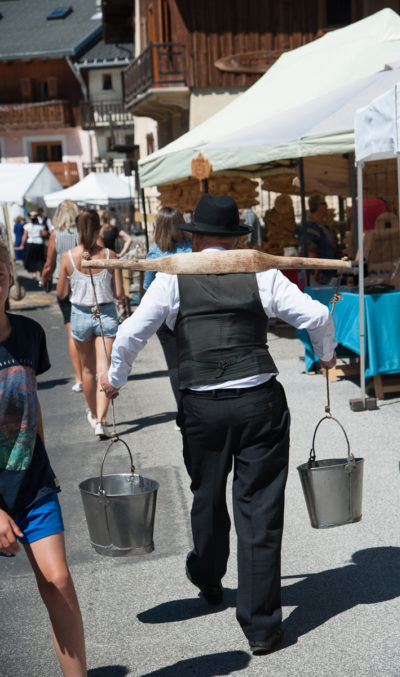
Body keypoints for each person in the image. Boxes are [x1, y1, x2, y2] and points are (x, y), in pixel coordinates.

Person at [100, 194, 336, 655]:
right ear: (233, 239)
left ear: (199, 238)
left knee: (206, 495)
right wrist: (326, 354)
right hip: (258, 403)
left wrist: (114, 380)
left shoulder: (174, 277)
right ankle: (262, 626)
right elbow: (319, 315)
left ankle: (208, 574)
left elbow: (130, 333)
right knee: (259, 511)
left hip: (203, 407)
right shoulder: (260, 271)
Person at [0, 241, 87, 676]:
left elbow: (30, 404)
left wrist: (45, 466)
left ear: (9, 277)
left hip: (32, 484)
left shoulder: (30, 334)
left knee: (58, 583)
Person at [57, 210, 124, 439]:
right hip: (104, 313)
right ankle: (102, 421)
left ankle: (94, 415)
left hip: (80, 314)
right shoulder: (110, 254)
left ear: (77, 230)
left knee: (87, 370)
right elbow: (119, 293)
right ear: (99, 230)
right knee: (104, 369)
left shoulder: (68, 257)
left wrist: (74, 281)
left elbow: (61, 292)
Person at [143, 207, 192, 409]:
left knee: (174, 365)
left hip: (164, 314)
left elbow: (147, 286)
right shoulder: (192, 248)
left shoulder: (154, 252)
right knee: (194, 360)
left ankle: (183, 412)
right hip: (190, 311)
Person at [41, 200, 83, 393]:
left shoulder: (55, 235)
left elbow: (49, 264)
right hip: (82, 283)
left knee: (72, 331)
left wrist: (43, 279)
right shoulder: (82, 233)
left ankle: (79, 377)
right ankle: (94, 370)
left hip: (63, 284)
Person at [298, 193, 338, 284]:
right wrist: (314, 270)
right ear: (320, 206)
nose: (327, 207)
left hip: (327, 270)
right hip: (317, 274)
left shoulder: (323, 225)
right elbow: (309, 249)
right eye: (325, 204)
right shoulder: (309, 225)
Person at [20, 211, 48, 280]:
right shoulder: (40, 226)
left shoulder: (27, 226)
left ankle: (34, 273)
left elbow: (24, 236)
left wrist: (22, 245)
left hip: (31, 244)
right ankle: (40, 273)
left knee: (33, 259)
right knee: (39, 259)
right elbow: (45, 234)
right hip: (38, 243)